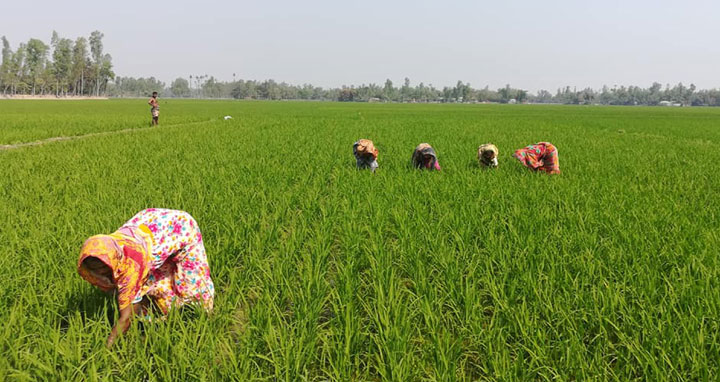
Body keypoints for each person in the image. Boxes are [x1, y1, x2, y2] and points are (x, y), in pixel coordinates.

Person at [77, 208, 215, 347]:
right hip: (149, 224)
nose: (101, 274)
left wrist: (106, 348)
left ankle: (198, 317)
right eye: (96, 270)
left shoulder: (131, 265)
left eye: (105, 268)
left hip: (179, 227)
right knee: (148, 285)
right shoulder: (109, 246)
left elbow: (127, 316)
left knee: (191, 283)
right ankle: (160, 318)